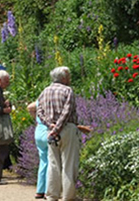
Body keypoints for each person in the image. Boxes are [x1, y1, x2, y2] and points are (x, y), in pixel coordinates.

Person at [37, 66, 81, 201]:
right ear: (63, 78)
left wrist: (50, 125)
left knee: (53, 164)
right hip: (66, 129)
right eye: (68, 76)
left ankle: (51, 195)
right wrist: (57, 128)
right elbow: (67, 112)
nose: (70, 79)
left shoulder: (45, 91)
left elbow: (39, 111)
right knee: (69, 163)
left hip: (50, 131)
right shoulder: (68, 91)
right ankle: (68, 197)